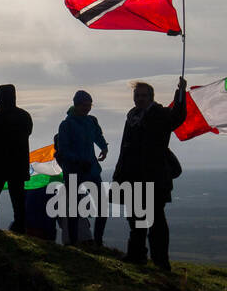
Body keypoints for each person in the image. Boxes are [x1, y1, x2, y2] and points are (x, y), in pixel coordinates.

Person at [113, 77, 188, 271]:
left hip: (154, 177)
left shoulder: (160, 114)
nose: (139, 99)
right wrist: (119, 175)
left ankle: (161, 261)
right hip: (132, 175)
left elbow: (177, 117)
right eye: (137, 95)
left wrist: (180, 94)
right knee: (136, 219)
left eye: (143, 95)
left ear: (151, 97)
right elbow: (125, 148)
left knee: (156, 222)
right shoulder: (132, 116)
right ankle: (136, 255)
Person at [55, 89, 108, 246]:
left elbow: (98, 135)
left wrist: (104, 148)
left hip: (91, 170)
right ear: (76, 105)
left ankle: (98, 241)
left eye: (89, 105)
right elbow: (63, 149)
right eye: (84, 105)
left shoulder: (91, 121)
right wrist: (78, 161)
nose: (87, 108)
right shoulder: (66, 125)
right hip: (73, 170)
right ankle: (72, 243)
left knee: (102, 207)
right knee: (74, 210)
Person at [0, 84, 34, 231]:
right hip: (18, 165)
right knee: (19, 203)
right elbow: (28, 132)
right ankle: (20, 230)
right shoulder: (25, 116)